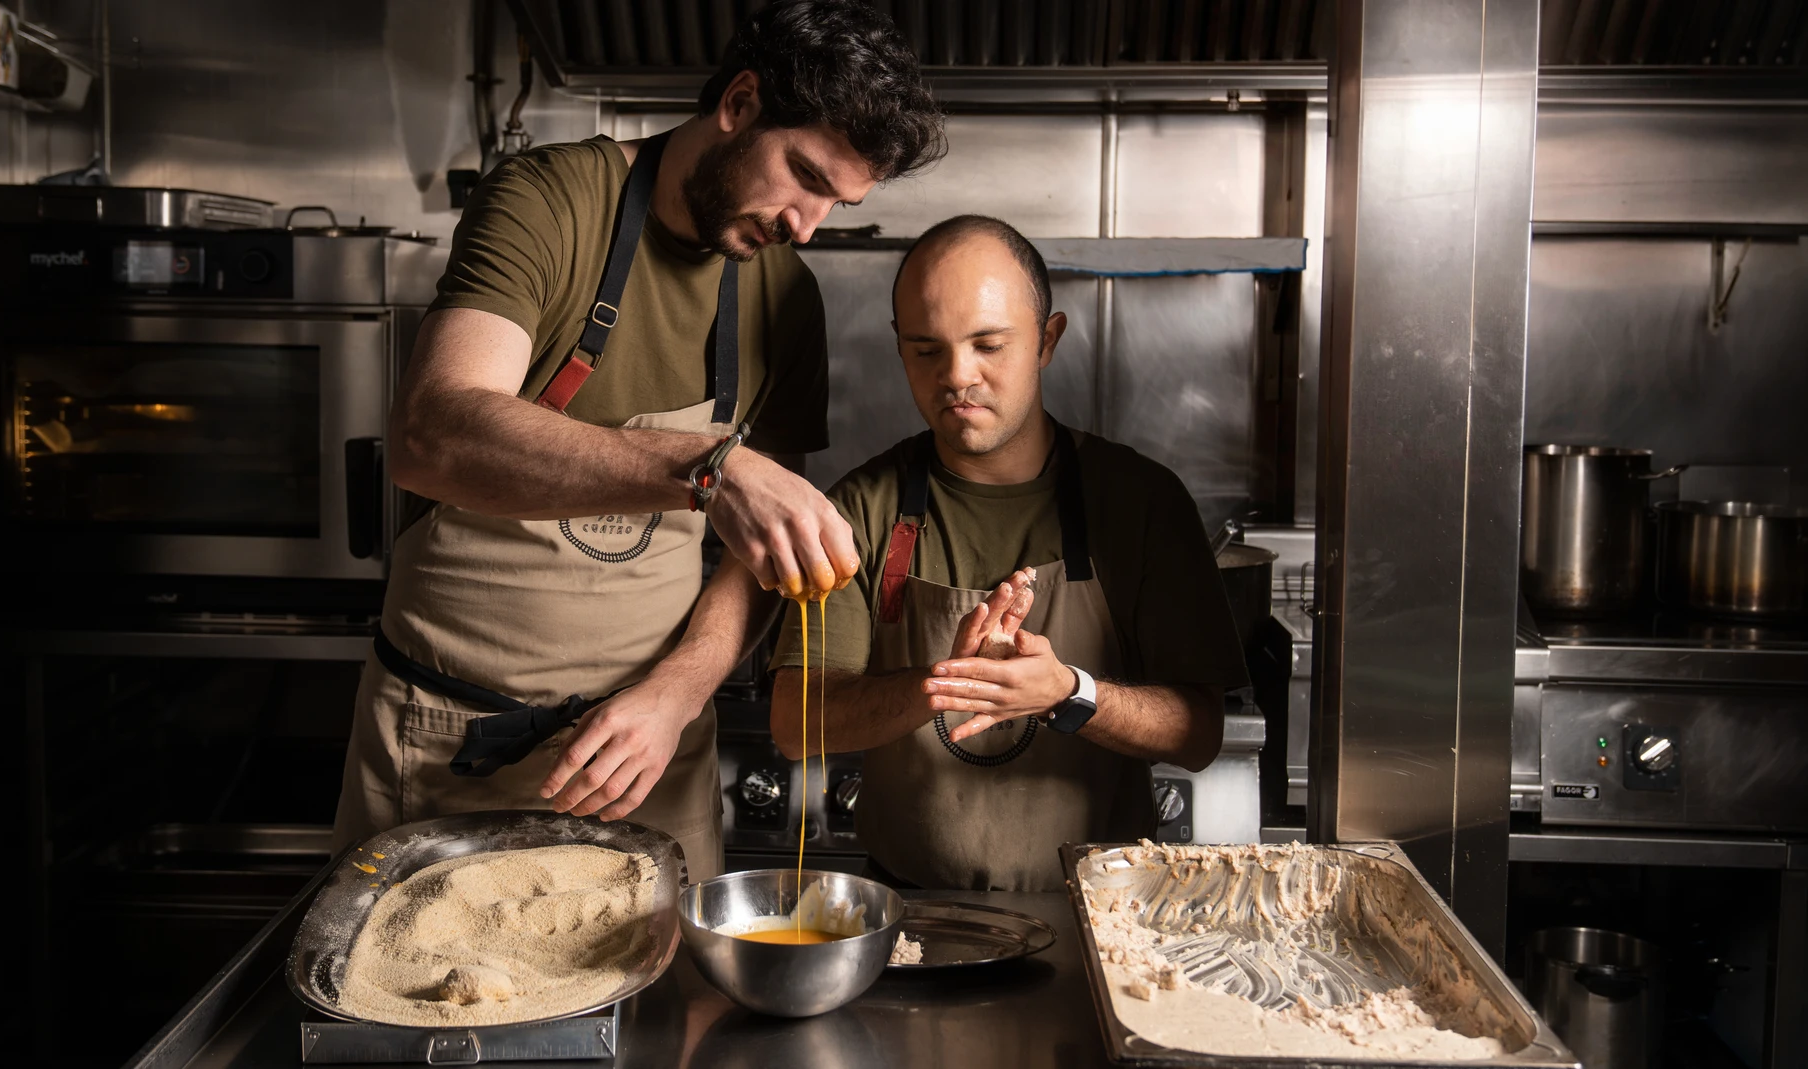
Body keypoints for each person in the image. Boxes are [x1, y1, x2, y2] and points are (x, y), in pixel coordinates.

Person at [332, 0, 945, 880]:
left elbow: (759, 556)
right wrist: (706, 468)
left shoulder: (786, 297)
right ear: (738, 105)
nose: (803, 225)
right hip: (453, 741)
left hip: (650, 755)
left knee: (661, 1015)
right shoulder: (548, 202)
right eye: (803, 176)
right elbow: (435, 432)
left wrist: (679, 690)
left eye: (835, 202)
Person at [768, 215, 1247, 891]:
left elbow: (1198, 733)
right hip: (910, 912)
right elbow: (795, 724)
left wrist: (1068, 693)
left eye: (988, 344)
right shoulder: (859, 509)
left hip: (1101, 914)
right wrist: (944, 682)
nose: (958, 376)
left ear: (1047, 339)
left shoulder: (1141, 502)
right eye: (926, 350)